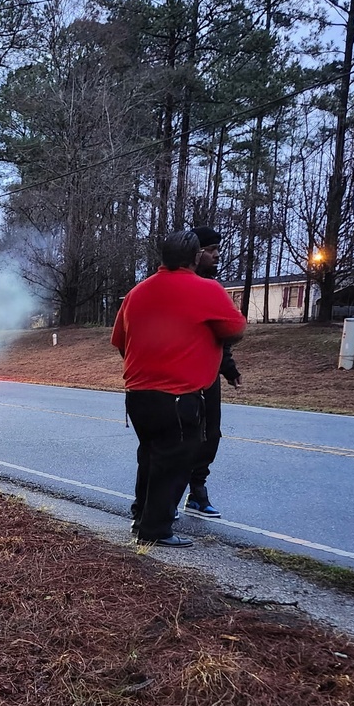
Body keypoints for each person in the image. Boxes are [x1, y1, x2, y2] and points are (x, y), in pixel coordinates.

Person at [111, 230, 246, 547]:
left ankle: (141, 516)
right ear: (195, 257)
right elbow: (236, 328)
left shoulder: (137, 293)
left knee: (151, 454)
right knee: (176, 462)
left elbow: (119, 340)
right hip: (178, 396)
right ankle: (155, 530)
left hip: (138, 395)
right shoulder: (206, 289)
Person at [185, 225, 243, 518]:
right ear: (196, 254)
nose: (217, 256)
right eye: (211, 251)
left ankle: (197, 491)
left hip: (209, 377)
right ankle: (165, 497)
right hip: (181, 375)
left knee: (211, 434)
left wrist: (229, 369)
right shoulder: (183, 286)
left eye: (218, 250)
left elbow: (222, 335)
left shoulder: (213, 288)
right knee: (181, 435)